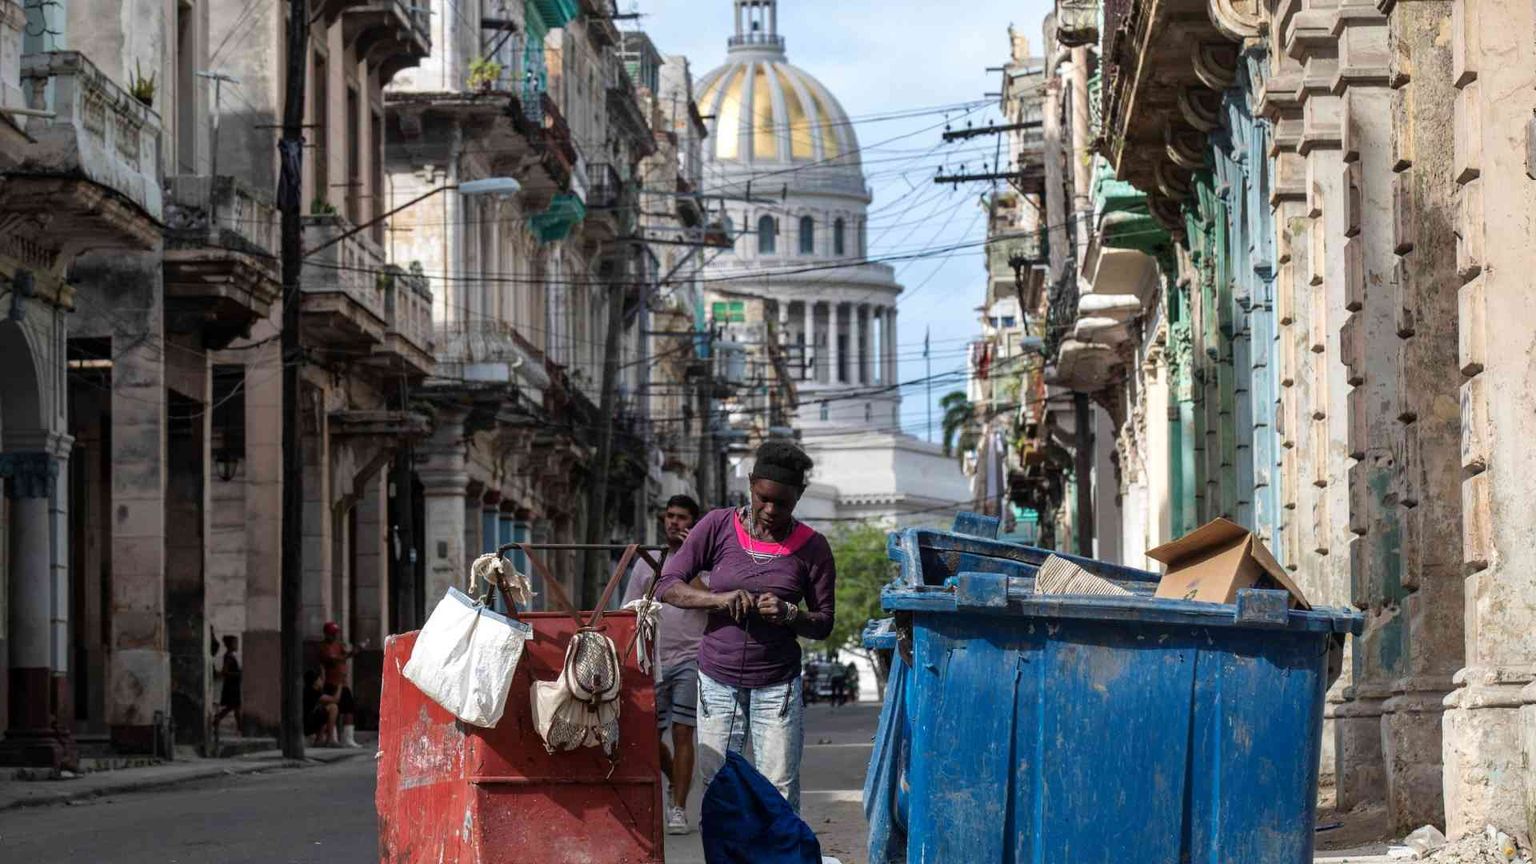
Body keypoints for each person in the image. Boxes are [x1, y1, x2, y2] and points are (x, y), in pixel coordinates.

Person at [653, 441, 836, 812]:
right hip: (717, 681)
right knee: (720, 789)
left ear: (799, 495)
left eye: (782, 503)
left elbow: (823, 622)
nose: (770, 510)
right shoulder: (717, 526)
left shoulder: (813, 547)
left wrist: (789, 614)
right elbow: (667, 585)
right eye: (762, 498)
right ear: (751, 484)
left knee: (778, 791)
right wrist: (718, 600)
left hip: (778, 685)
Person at [621, 494, 706, 836]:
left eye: (682, 517)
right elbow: (628, 609)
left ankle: (679, 807)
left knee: (683, 732)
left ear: (693, 524)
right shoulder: (648, 561)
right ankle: (675, 779)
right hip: (653, 659)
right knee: (648, 735)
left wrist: (691, 559)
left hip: (691, 658)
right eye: (670, 516)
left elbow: (709, 601)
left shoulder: (705, 562)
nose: (674, 522)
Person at [318, 622, 360, 748]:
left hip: (343, 683)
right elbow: (331, 659)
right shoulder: (323, 646)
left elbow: (345, 653)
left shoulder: (339, 645)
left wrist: (352, 651)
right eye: (332, 633)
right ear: (326, 634)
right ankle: (333, 737)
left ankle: (348, 738)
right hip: (331, 683)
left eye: (335, 633)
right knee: (333, 709)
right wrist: (345, 656)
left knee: (349, 709)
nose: (335, 636)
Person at [211, 635, 242, 739]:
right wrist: (237, 674)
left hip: (233, 685)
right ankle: (239, 728)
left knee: (233, 707)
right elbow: (225, 672)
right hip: (231, 686)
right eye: (235, 643)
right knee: (234, 707)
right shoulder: (228, 656)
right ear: (230, 645)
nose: (237, 645)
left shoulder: (230, 656)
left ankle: (218, 720)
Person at [303, 668, 340, 747]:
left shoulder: (310, 690)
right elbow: (335, 699)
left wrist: (323, 670)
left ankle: (319, 740)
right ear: (315, 682)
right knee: (333, 708)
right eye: (319, 679)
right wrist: (340, 685)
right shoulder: (312, 692)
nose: (321, 681)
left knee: (324, 712)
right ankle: (330, 739)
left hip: (308, 722)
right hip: (307, 724)